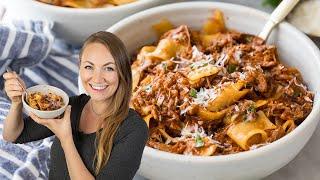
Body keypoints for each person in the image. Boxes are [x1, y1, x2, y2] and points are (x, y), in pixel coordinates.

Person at [2, 31, 149, 180]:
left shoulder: (134, 129)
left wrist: (66, 138)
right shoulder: (71, 106)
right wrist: (16, 103)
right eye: (89, 67)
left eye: (109, 68)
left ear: (122, 72)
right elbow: (13, 135)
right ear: (80, 68)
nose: (97, 78)